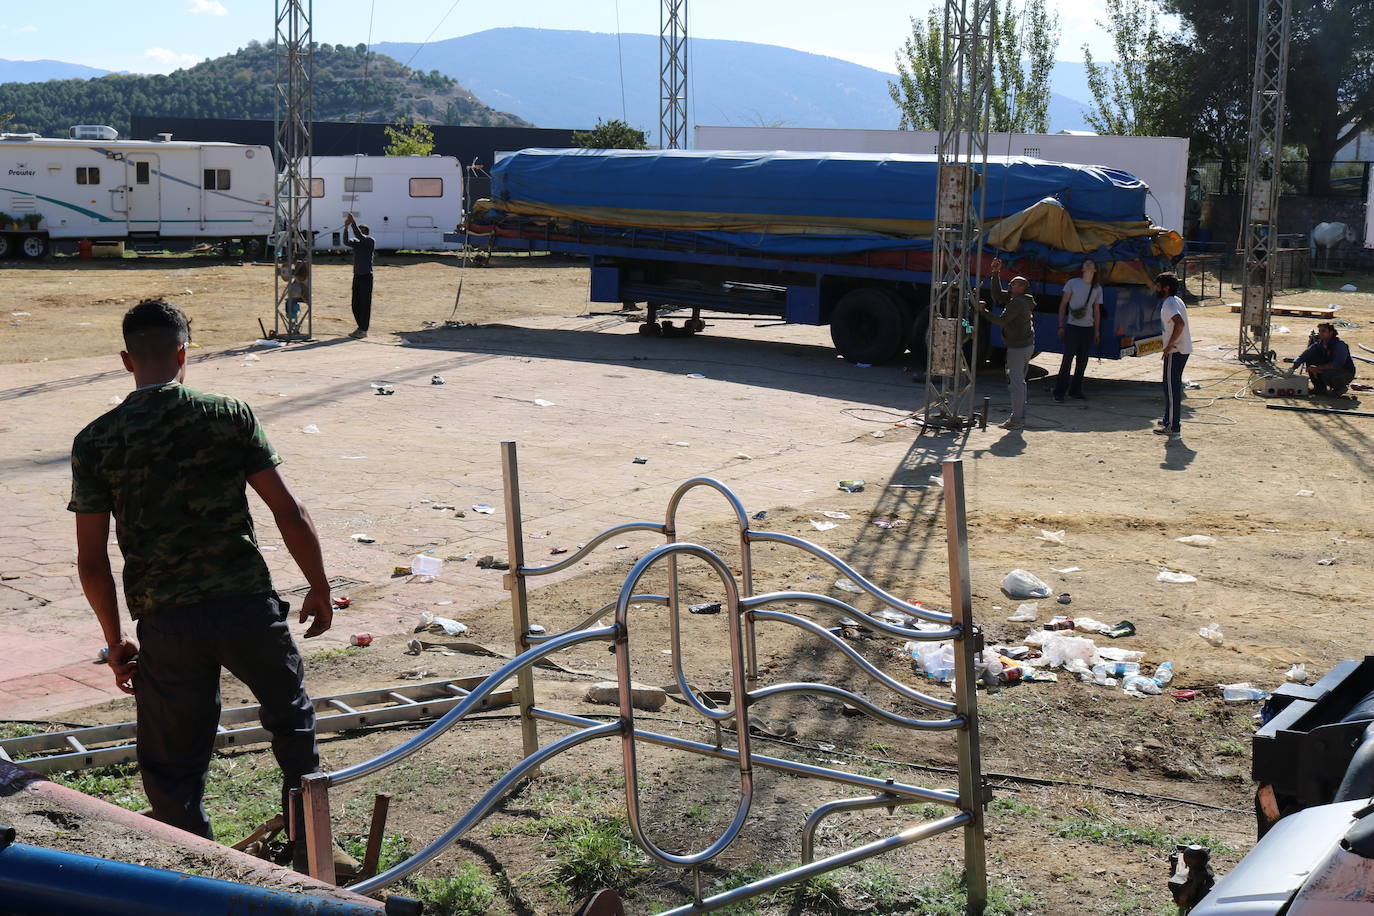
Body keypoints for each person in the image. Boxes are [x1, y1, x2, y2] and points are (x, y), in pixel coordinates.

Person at [69, 299, 333, 843]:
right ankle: (314, 848)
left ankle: (197, 867)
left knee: (172, 762)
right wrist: (319, 586)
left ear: (127, 360)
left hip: (167, 622)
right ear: (183, 353)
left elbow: (92, 561)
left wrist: (114, 640)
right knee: (291, 722)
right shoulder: (228, 415)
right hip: (246, 606)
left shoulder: (96, 440)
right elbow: (289, 511)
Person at [977, 258, 1037, 430]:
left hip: (1018, 348)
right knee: (1020, 382)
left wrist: (983, 311)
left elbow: (1001, 321)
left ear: (1023, 287)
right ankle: (1020, 415)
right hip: (1025, 345)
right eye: (1011, 283)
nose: (1010, 284)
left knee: (1015, 383)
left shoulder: (1018, 303)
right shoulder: (1021, 298)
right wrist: (996, 273)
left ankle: (1016, 419)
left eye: (1014, 283)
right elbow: (997, 295)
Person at [1052, 259, 1103, 401]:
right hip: (1072, 327)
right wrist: (1061, 326)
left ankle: (1075, 391)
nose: (1088, 264)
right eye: (1086, 263)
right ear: (1082, 269)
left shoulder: (1097, 288)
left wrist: (1097, 331)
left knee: (1082, 361)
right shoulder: (1073, 283)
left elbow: (1097, 311)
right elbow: (1063, 305)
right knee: (1067, 360)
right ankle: (1059, 392)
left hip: (1088, 329)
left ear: (1095, 270)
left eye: (1091, 263)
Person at [1154, 272, 1190, 441]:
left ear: (1166, 287)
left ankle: (1173, 426)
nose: (1156, 289)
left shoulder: (1169, 303)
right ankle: (1168, 419)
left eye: (1158, 286)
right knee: (1169, 387)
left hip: (1175, 351)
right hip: (1180, 350)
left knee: (1171, 389)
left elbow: (1179, 324)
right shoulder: (1175, 301)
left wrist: (1169, 345)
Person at [1293, 322, 1356, 395]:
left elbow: (1337, 364)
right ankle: (1320, 388)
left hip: (1345, 372)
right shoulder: (1320, 344)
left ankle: (1340, 388)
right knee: (1310, 359)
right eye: (1319, 331)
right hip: (1330, 368)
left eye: (1323, 331)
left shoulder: (1339, 345)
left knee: (1325, 373)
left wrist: (1317, 368)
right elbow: (1304, 355)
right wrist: (1294, 367)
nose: (1320, 333)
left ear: (1331, 333)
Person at [343, 213, 375, 339]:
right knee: (355, 303)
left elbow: (359, 236)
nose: (359, 233)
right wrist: (346, 228)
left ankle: (363, 329)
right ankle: (360, 327)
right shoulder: (357, 243)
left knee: (365, 304)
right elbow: (345, 241)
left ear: (366, 232)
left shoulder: (370, 241)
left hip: (366, 276)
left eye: (362, 231)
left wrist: (353, 223)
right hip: (357, 275)